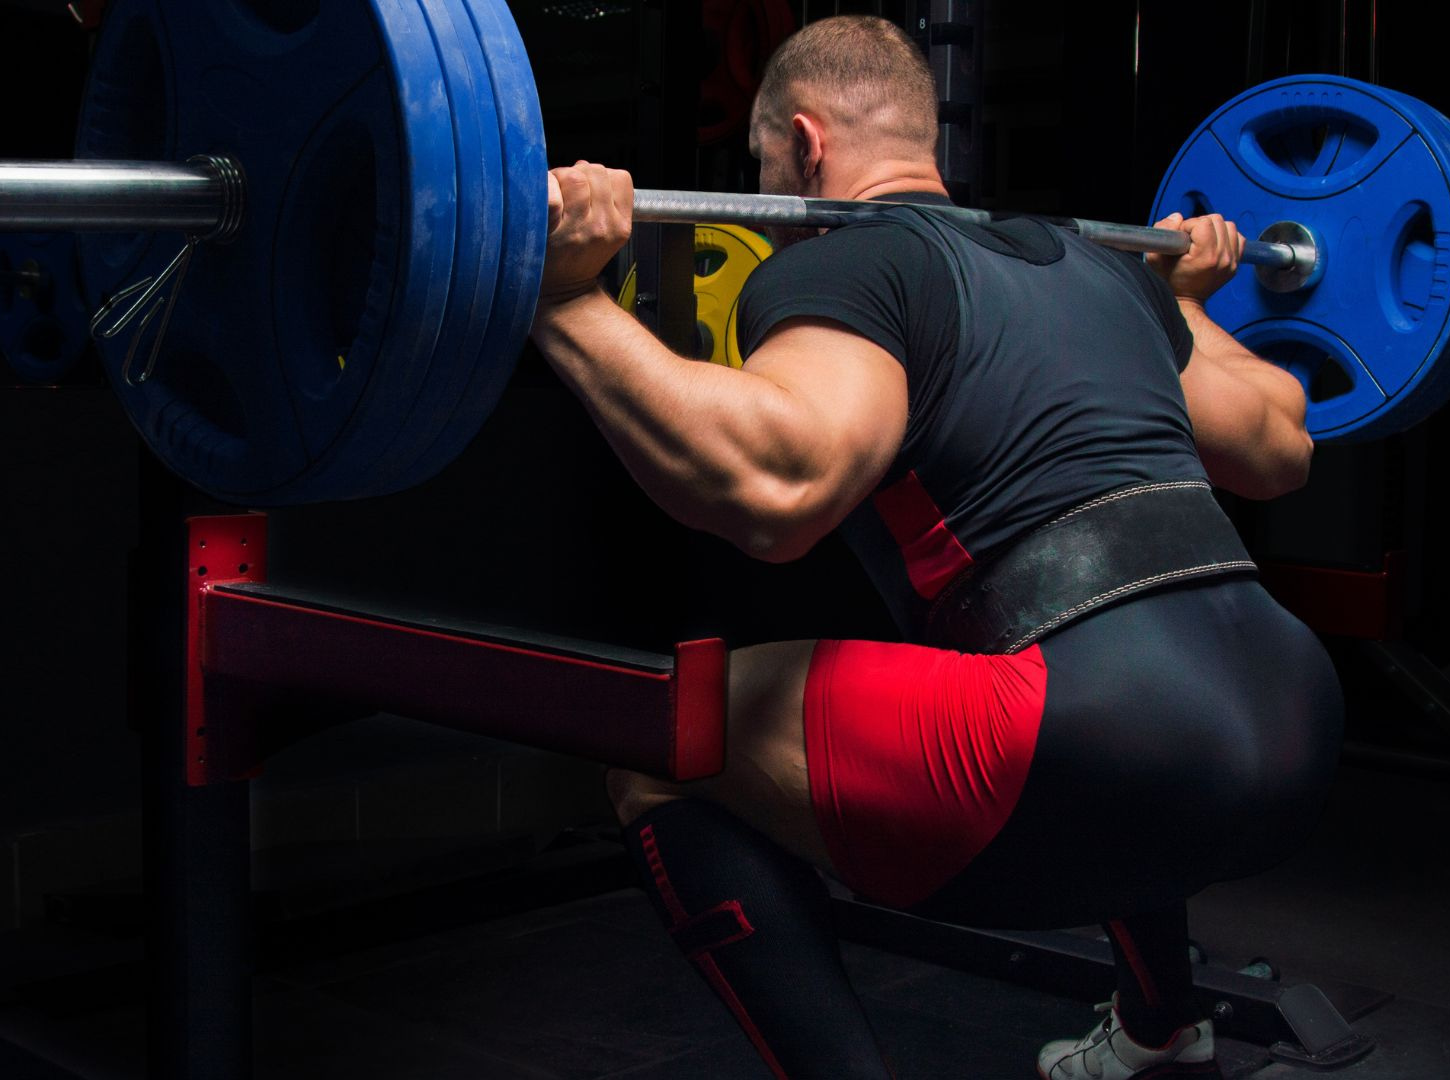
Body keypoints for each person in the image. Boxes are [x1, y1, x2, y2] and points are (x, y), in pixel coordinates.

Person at [526, 15, 1343, 1079]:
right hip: (1289, 720)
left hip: (1089, 747)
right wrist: (1187, 303)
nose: (768, 197)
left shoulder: (847, 265)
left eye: (765, 166)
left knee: (655, 744)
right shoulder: (1098, 270)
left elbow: (781, 487)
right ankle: (1161, 1025)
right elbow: (1280, 441)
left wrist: (567, 297)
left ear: (806, 147)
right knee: (1119, 676)